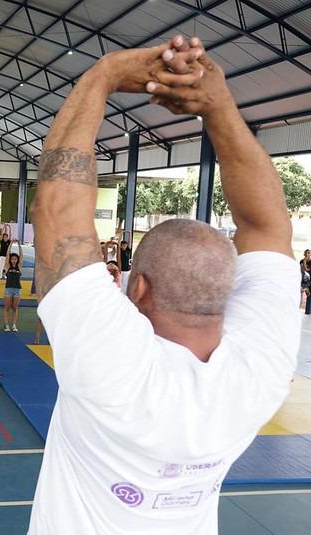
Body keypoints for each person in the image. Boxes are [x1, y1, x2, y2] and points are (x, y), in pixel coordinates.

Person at [27, 35, 300, 534]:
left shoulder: (113, 366)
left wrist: (103, 75)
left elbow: (58, 210)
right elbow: (269, 227)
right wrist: (218, 107)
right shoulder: (259, 374)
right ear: (228, 290)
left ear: (139, 289)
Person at [2, 241, 22, 332]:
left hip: (17, 289)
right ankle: (6, 325)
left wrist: (19, 245)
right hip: (8, 289)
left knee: (15, 308)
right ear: (10, 259)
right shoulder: (7, 267)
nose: (14, 260)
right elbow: (7, 254)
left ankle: (14, 325)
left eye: (15, 259)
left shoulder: (19, 267)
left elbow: (21, 256)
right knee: (7, 308)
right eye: (12, 259)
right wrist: (10, 244)